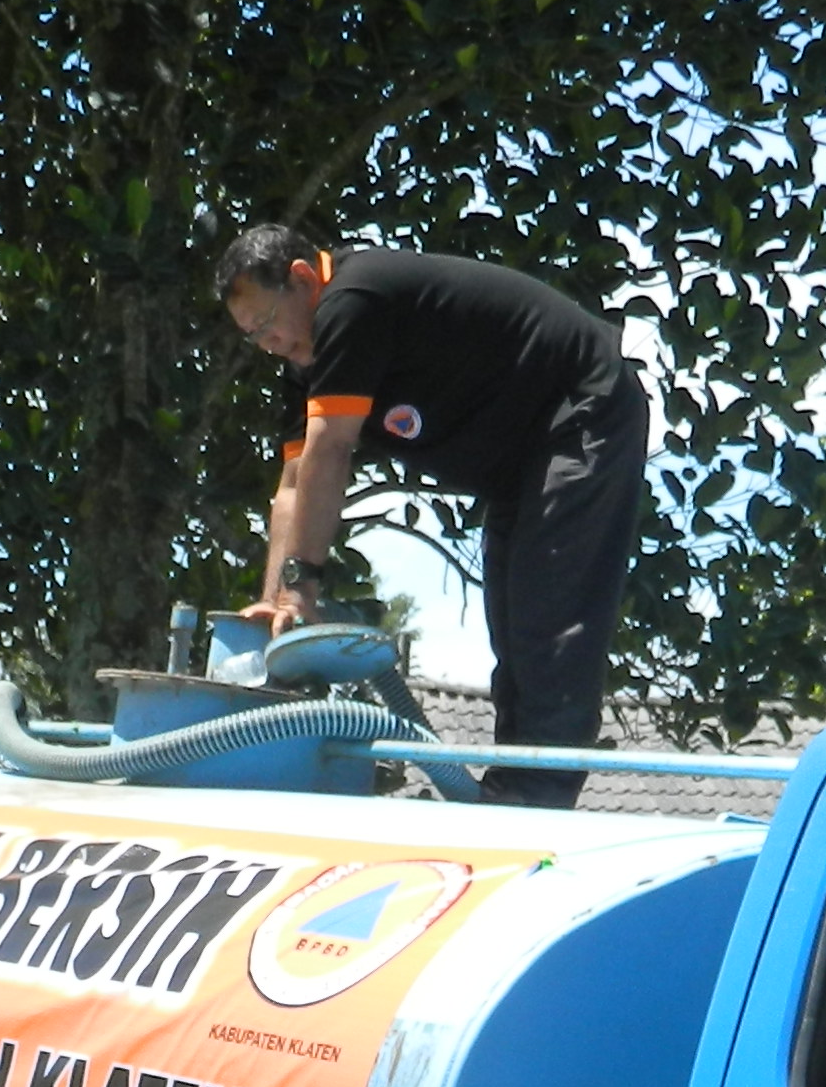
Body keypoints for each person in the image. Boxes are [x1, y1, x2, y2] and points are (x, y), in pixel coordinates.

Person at [216, 225, 649, 808]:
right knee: (513, 622)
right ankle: (514, 788)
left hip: (581, 409)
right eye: (252, 336)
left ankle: (534, 798)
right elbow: (293, 484)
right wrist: (276, 600)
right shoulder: (306, 363)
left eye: (268, 323)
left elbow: (330, 451)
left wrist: (303, 586)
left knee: (548, 614)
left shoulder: (351, 301)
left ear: (301, 278)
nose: (268, 343)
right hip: (521, 455)